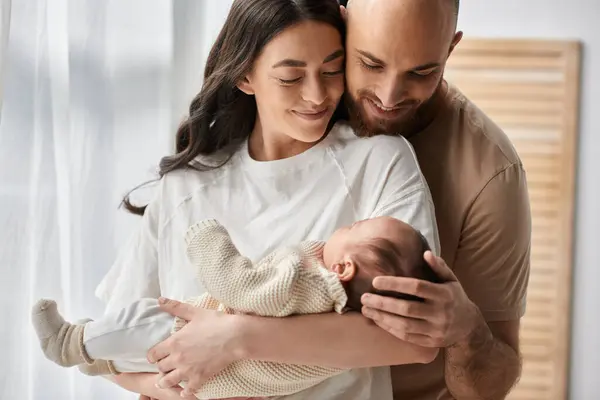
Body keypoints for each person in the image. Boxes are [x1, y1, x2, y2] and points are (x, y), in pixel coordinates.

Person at [146, 0, 532, 399]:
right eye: (370, 63)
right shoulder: (208, 173)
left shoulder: (486, 173)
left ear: (450, 49)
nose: (388, 95)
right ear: (345, 24)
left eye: (422, 72)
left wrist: (467, 331)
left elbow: (478, 377)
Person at [87, 0, 442, 399]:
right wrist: (182, 387)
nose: (317, 94)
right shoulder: (185, 186)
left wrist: (238, 337)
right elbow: (110, 343)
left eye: (331, 70)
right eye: (291, 77)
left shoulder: (377, 159)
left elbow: (415, 339)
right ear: (244, 76)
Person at [32, 216, 437, 399]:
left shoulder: (311, 285)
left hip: (194, 339)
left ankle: (71, 341)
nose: (340, 227)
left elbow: (243, 287)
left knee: (143, 319)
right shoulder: (345, 328)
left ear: (344, 267)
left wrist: (207, 239)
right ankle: (97, 359)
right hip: (225, 385)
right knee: (145, 365)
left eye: (350, 229)